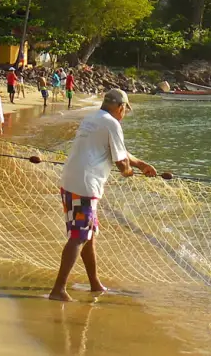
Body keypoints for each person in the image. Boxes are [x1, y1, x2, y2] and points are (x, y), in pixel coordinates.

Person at [49, 89, 157, 301]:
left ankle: (94, 283)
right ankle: (58, 289)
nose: (124, 113)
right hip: (86, 186)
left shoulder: (92, 118)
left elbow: (120, 151)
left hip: (70, 182)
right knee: (79, 236)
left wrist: (141, 164)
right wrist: (128, 171)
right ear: (120, 107)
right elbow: (120, 162)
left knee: (87, 236)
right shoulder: (112, 124)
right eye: (125, 109)